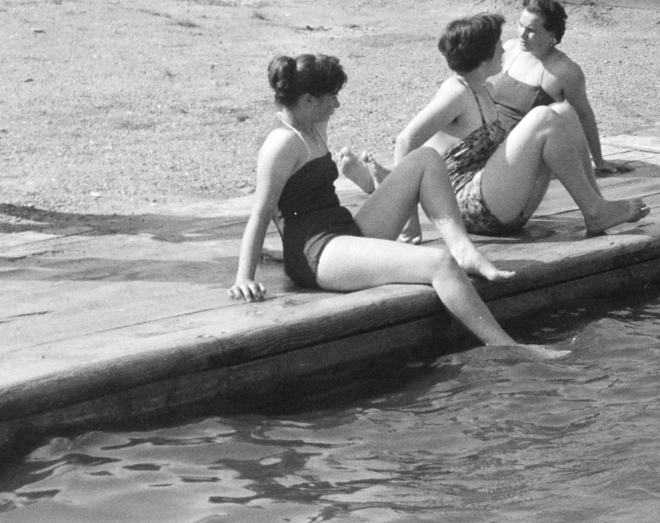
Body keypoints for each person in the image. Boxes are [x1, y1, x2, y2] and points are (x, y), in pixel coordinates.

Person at [229, 53, 558, 354]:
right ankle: (510, 349)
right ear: (308, 100)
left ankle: (464, 249)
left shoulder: (310, 123)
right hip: (320, 255)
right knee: (438, 264)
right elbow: (260, 213)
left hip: (343, 230)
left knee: (426, 158)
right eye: (332, 98)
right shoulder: (282, 143)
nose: (338, 105)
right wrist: (244, 278)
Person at [394, 13, 649, 239]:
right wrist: (410, 221)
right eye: (497, 46)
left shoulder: (483, 89)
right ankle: (596, 211)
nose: (505, 50)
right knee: (543, 117)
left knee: (563, 111)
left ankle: (596, 206)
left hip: (498, 204)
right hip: (469, 207)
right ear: (484, 58)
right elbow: (405, 142)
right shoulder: (456, 92)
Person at [490, 0, 630, 175]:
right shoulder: (510, 48)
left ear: (551, 34)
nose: (522, 35)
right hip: (490, 140)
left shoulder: (565, 71)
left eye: (531, 30)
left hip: (521, 154)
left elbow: (584, 116)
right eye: (520, 25)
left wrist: (599, 160)